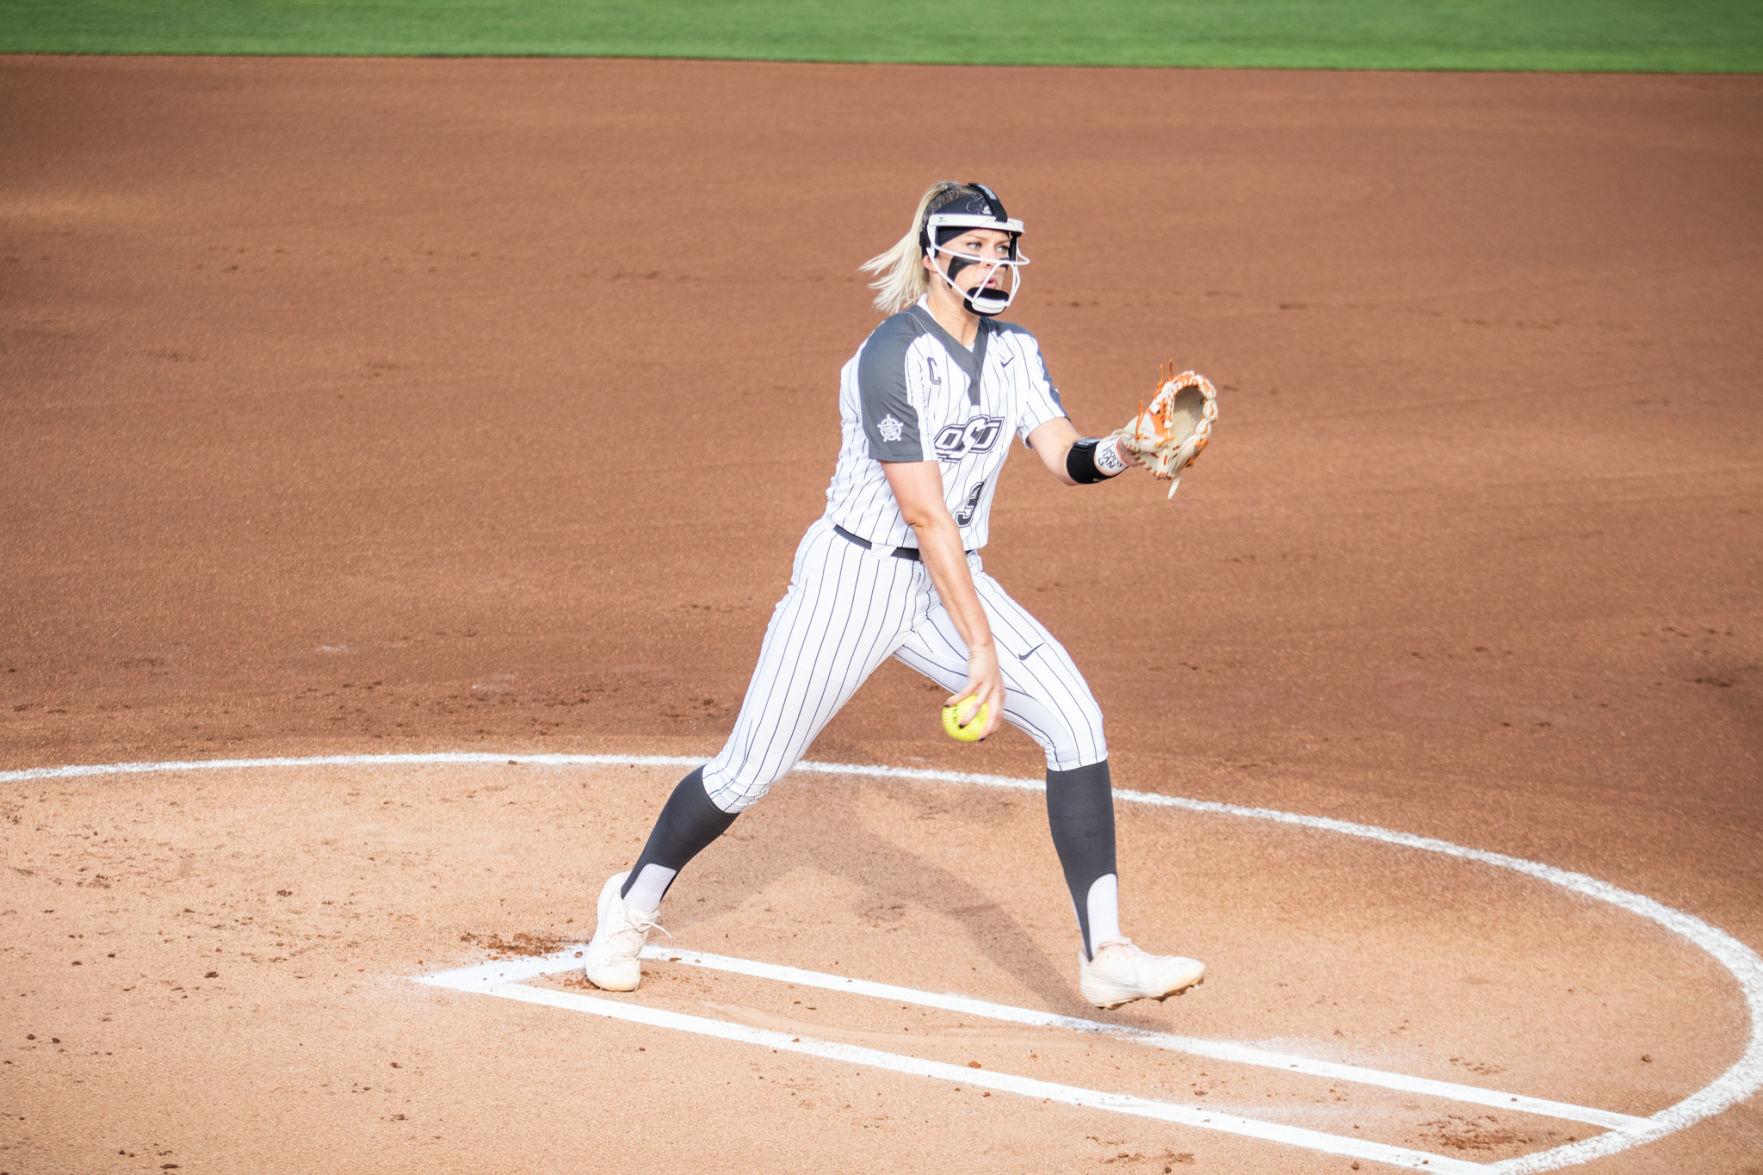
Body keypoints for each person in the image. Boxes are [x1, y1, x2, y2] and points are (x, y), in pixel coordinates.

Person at [585, 181, 1205, 1009]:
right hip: (854, 580)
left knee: (1075, 719)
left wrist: (1129, 445)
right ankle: (627, 908)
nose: (991, 262)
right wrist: (980, 647)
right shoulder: (889, 357)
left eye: (1000, 248)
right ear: (931, 255)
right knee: (747, 770)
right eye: (973, 248)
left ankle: (1107, 952)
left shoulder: (1016, 351)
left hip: (951, 579)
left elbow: (1065, 457)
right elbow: (922, 510)